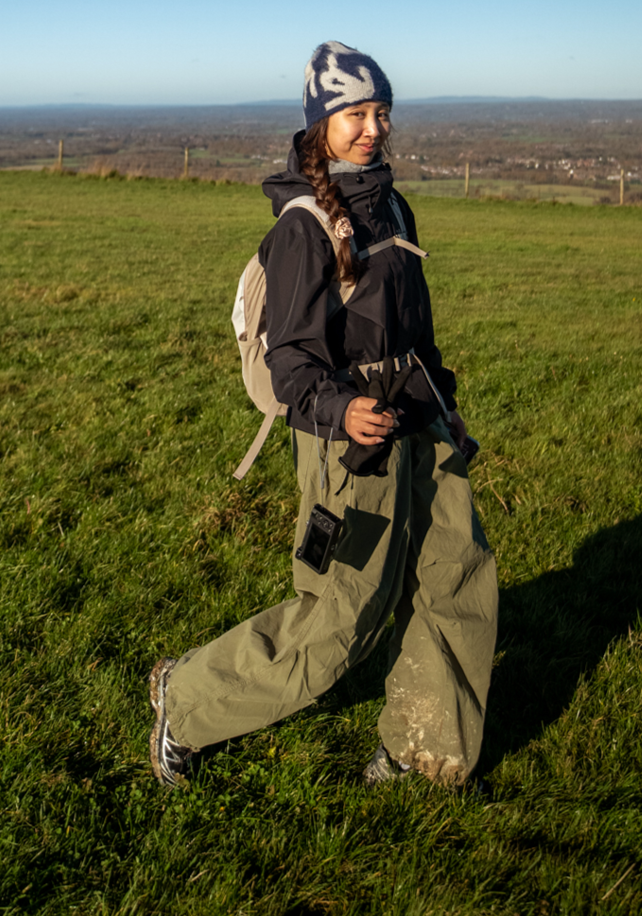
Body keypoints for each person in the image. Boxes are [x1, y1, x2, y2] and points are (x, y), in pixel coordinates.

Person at [150, 41, 498, 788]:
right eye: (354, 115)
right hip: (350, 445)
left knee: (452, 576)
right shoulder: (304, 227)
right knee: (342, 613)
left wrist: (448, 408)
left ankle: (422, 751)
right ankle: (186, 701)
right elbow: (293, 364)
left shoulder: (392, 203)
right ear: (320, 124)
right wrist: (345, 412)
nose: (371, 127)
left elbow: (416, 331)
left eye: (380, 112)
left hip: (419, 422)